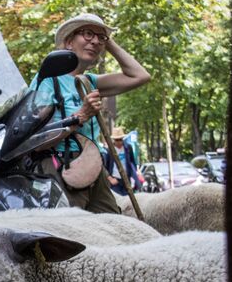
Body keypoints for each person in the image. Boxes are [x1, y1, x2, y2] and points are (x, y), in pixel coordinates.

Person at [29, 13, 150, 213]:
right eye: (87, 34)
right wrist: (81, 115)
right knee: (72, 236)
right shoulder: (49, 80)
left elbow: (140, 76)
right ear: (68, 42)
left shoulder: (90, 82)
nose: (94, 41)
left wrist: (108, 42)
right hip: (62, 167)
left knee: (112, 229)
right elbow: (35, 140)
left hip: (94, 168)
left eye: (99, 38)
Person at [103, 127, 141, 195]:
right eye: (116, 140)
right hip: (115, 181)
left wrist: (134, 175)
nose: (119, 142)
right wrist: (110, 179)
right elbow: (104, 167)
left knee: (127, 201)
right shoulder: (109, 150)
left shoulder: (128, 148)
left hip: (126, 180)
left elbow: (132, 163)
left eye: (120, 139)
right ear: (114, 140)